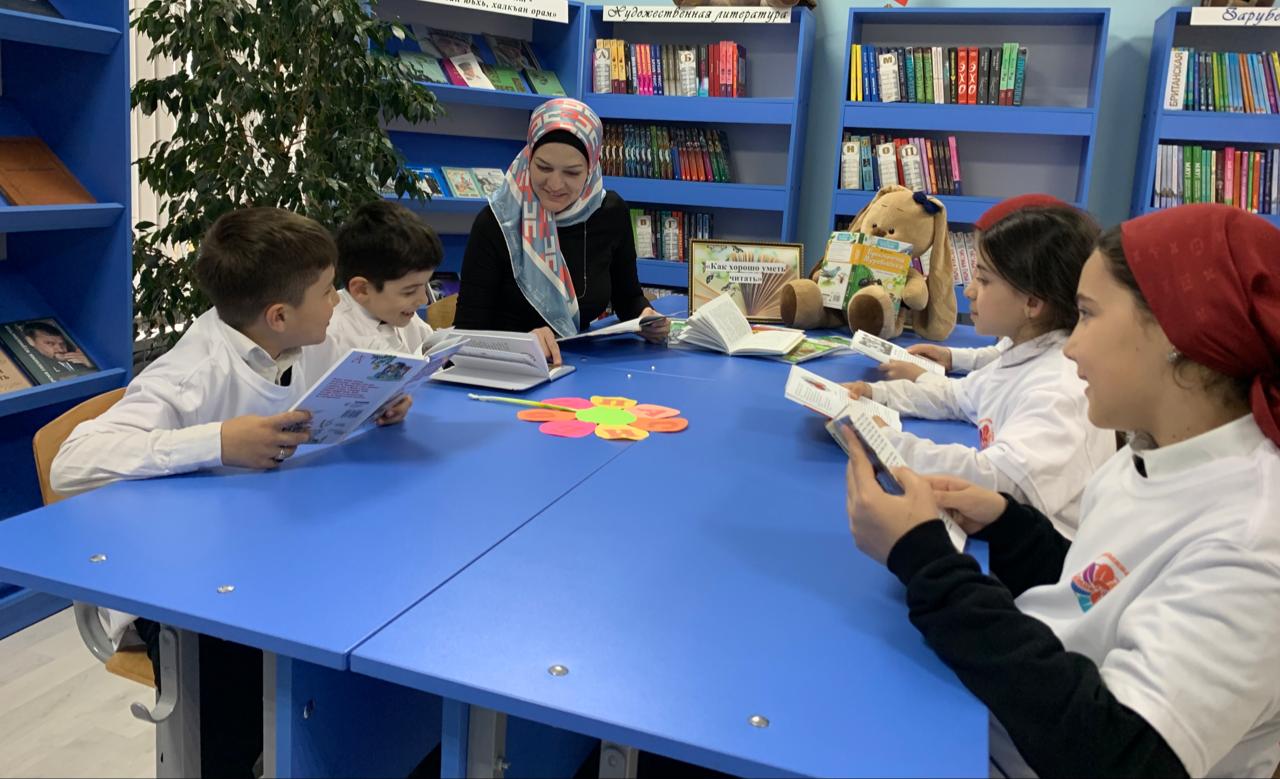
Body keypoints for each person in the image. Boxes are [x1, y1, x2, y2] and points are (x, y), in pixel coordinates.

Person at [842, 204, 1280, 777]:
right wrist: (1010, 527)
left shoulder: (1252, 540)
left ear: (1178, 336)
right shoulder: (1152, 453)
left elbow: (1121, 753)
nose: (1070, 348)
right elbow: (1097, 587)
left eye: (1088, 316)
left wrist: (927, 563)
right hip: (1003, 723)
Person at [845, 195, 1114, 534]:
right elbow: (957, 396)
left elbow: (992, 479)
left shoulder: (1059, 389)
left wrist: (884, 440)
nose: (970, 292)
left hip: (1048, 554)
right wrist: (873, 394)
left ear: (1032, 302)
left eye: (984, 280)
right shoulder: (1020, 354)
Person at [453, 98, 670, 364]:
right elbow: (467, 335)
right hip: (513, 371)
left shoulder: (610, 213)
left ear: (591, 169)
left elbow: (628, 298)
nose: (555, 184)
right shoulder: (499, 221)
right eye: (543, 167)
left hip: (583, 367)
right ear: (528, 159)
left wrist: (646, 316)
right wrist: (522, 343)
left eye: (572, 173)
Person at [300, 199, 443, 417]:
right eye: (409, 291)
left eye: (425, 286)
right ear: (362, 289)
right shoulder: (326, 334)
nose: (423, 299)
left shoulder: (405, 318)